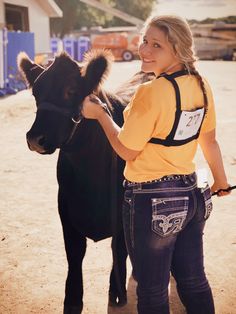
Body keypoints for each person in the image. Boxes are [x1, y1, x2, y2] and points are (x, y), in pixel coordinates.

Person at [81, 15, 231, 314]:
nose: (145, 50)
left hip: (152, 201)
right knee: (194, 281)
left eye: (156, 45)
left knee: (151, 291)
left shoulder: (150, 92)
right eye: (144, 41)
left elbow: (126, 149)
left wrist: (100, 116)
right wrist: (221, 182)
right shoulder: (202, 86)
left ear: (177, 49)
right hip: (192, 196)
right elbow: (209, 141)